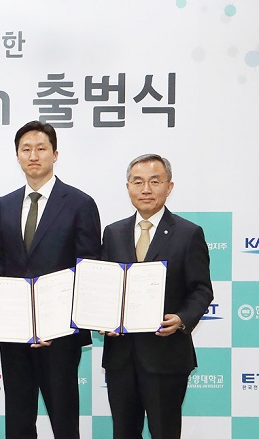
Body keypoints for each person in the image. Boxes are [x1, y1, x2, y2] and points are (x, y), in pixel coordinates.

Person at [0, 120, 101, 439]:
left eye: (41, 148)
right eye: (26, 149)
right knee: (18, 419)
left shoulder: (80, 203)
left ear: (55, 154)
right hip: (14, 331)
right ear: (17, 156)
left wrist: (55, 320)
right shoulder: (5, 204)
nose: (33, 155)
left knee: (63, 419)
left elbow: (89, 267)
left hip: (60, 333)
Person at [101, 154, 213, 439]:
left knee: (165, 432)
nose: (146, 189)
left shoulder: (188, 233)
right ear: (128, 187)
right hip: (120, 357)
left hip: (166, 355)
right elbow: (104, 287)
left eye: (155, 181)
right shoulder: (112, 233)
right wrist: (102, 318)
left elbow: (201, 289)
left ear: (169, 186)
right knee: (123, 433)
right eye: (138, 182)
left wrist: (182, 318)